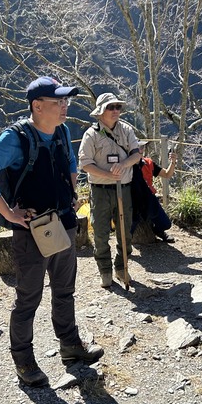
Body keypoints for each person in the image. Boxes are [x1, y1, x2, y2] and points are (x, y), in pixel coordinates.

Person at [0, 76, 103, 387]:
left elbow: (70, 161)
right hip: (32, 231)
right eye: (58, 102)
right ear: (37, 106)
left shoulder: (62, 130)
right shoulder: (15, 138)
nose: (65, 106)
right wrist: (9, 214)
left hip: (64, 223)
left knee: (65, 290)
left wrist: (71, 190)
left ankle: (70, 346)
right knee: (28, 298)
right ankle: (23, 359)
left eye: (65, 100)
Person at [78, 93, 141, 287]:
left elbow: (136, 155)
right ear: (101, 112)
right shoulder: (91, 134)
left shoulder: (127, 130)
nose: (115, 111)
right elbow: (84, 163)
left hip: (124, 188)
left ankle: (122, 267)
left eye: (117, 107)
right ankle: (105, 270)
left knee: (125, 231)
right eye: (110, 107)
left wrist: (123, 165)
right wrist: (107, 175)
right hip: (100, 190)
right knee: (100, 231)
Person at [131, 141, 177, 243]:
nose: (141, 149)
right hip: (133, 199)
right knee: (132, 224)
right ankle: (124, 246)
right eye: (138, 147)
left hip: (149, 198)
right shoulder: (126, 165)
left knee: (166, 224)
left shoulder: (148, 163)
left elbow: (166, 174)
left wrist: (173, 162)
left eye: (142, 147)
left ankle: (157, 230)